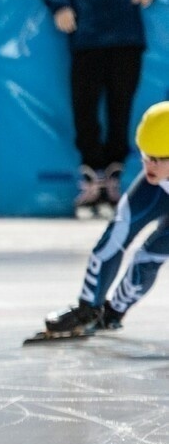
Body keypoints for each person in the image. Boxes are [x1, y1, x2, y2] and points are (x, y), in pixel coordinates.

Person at [41, 101, 169, 336]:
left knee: (148, 257)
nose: (148, 165)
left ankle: (114, 312)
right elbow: (113, 243)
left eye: (157, 159)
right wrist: (88, 306)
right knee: (114, 236)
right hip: (160, 191)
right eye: (145, 156)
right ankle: (88, 309)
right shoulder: (156, 171)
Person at [40, 0, 153, 219]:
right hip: (87, 35)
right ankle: (92, 177)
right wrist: (59, 5)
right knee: (85, 109)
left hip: (126, 35)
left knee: (120, 109)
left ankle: (112, 180)